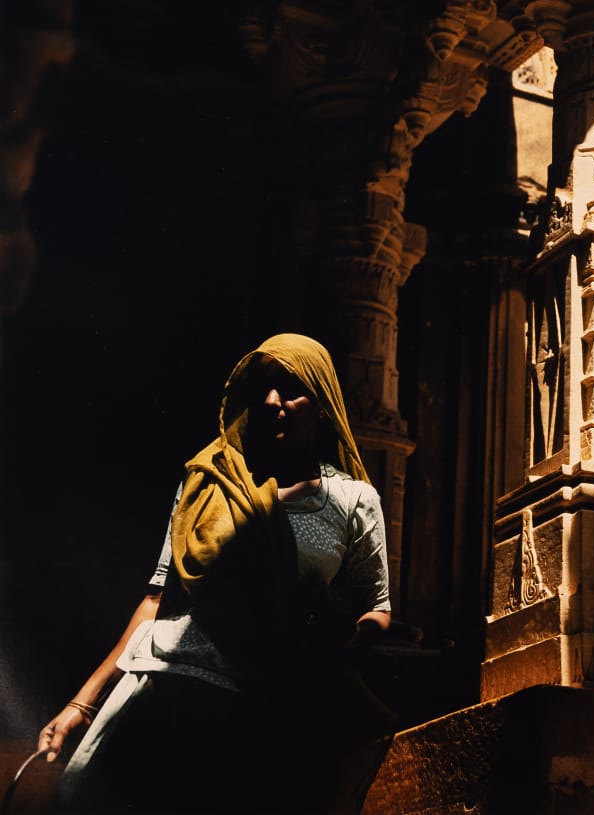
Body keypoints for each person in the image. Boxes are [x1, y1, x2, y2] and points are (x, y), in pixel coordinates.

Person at [38, 333, 395, 813]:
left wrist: (334, 647)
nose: (273, 402)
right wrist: (81, 705)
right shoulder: (208, 481)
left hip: (261, 707)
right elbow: (158, 598)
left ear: (324, 401)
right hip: (161, 688)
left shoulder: (352, 501)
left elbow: (377, 607)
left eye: (291, 389)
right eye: (264, 387)